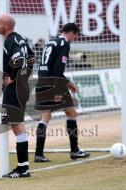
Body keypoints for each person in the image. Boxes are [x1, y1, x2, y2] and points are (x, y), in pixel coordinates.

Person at [34, 23, 90, 162]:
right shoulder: (64, 44)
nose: (74, 39)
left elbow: (49, 67)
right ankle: (75, 151)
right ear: (71, 33)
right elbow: (58, 71)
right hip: (54, 83)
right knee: (71, 113)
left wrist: (69, 83)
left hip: (41, 81)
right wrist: (60, 90)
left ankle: (38, 154)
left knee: (45, 118)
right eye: (75, 36)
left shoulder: (51, 42)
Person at [0, 14, 35, 178]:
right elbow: (32, 58)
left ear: (5, 26)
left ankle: (23, 169)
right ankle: (23, 167)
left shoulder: (10, 40)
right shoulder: (21, 39)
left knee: (16, 125)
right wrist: (25, 76)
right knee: (15, 125)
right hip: (23, 85)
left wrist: (13, 77)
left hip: (15, 88)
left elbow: (18, 59)